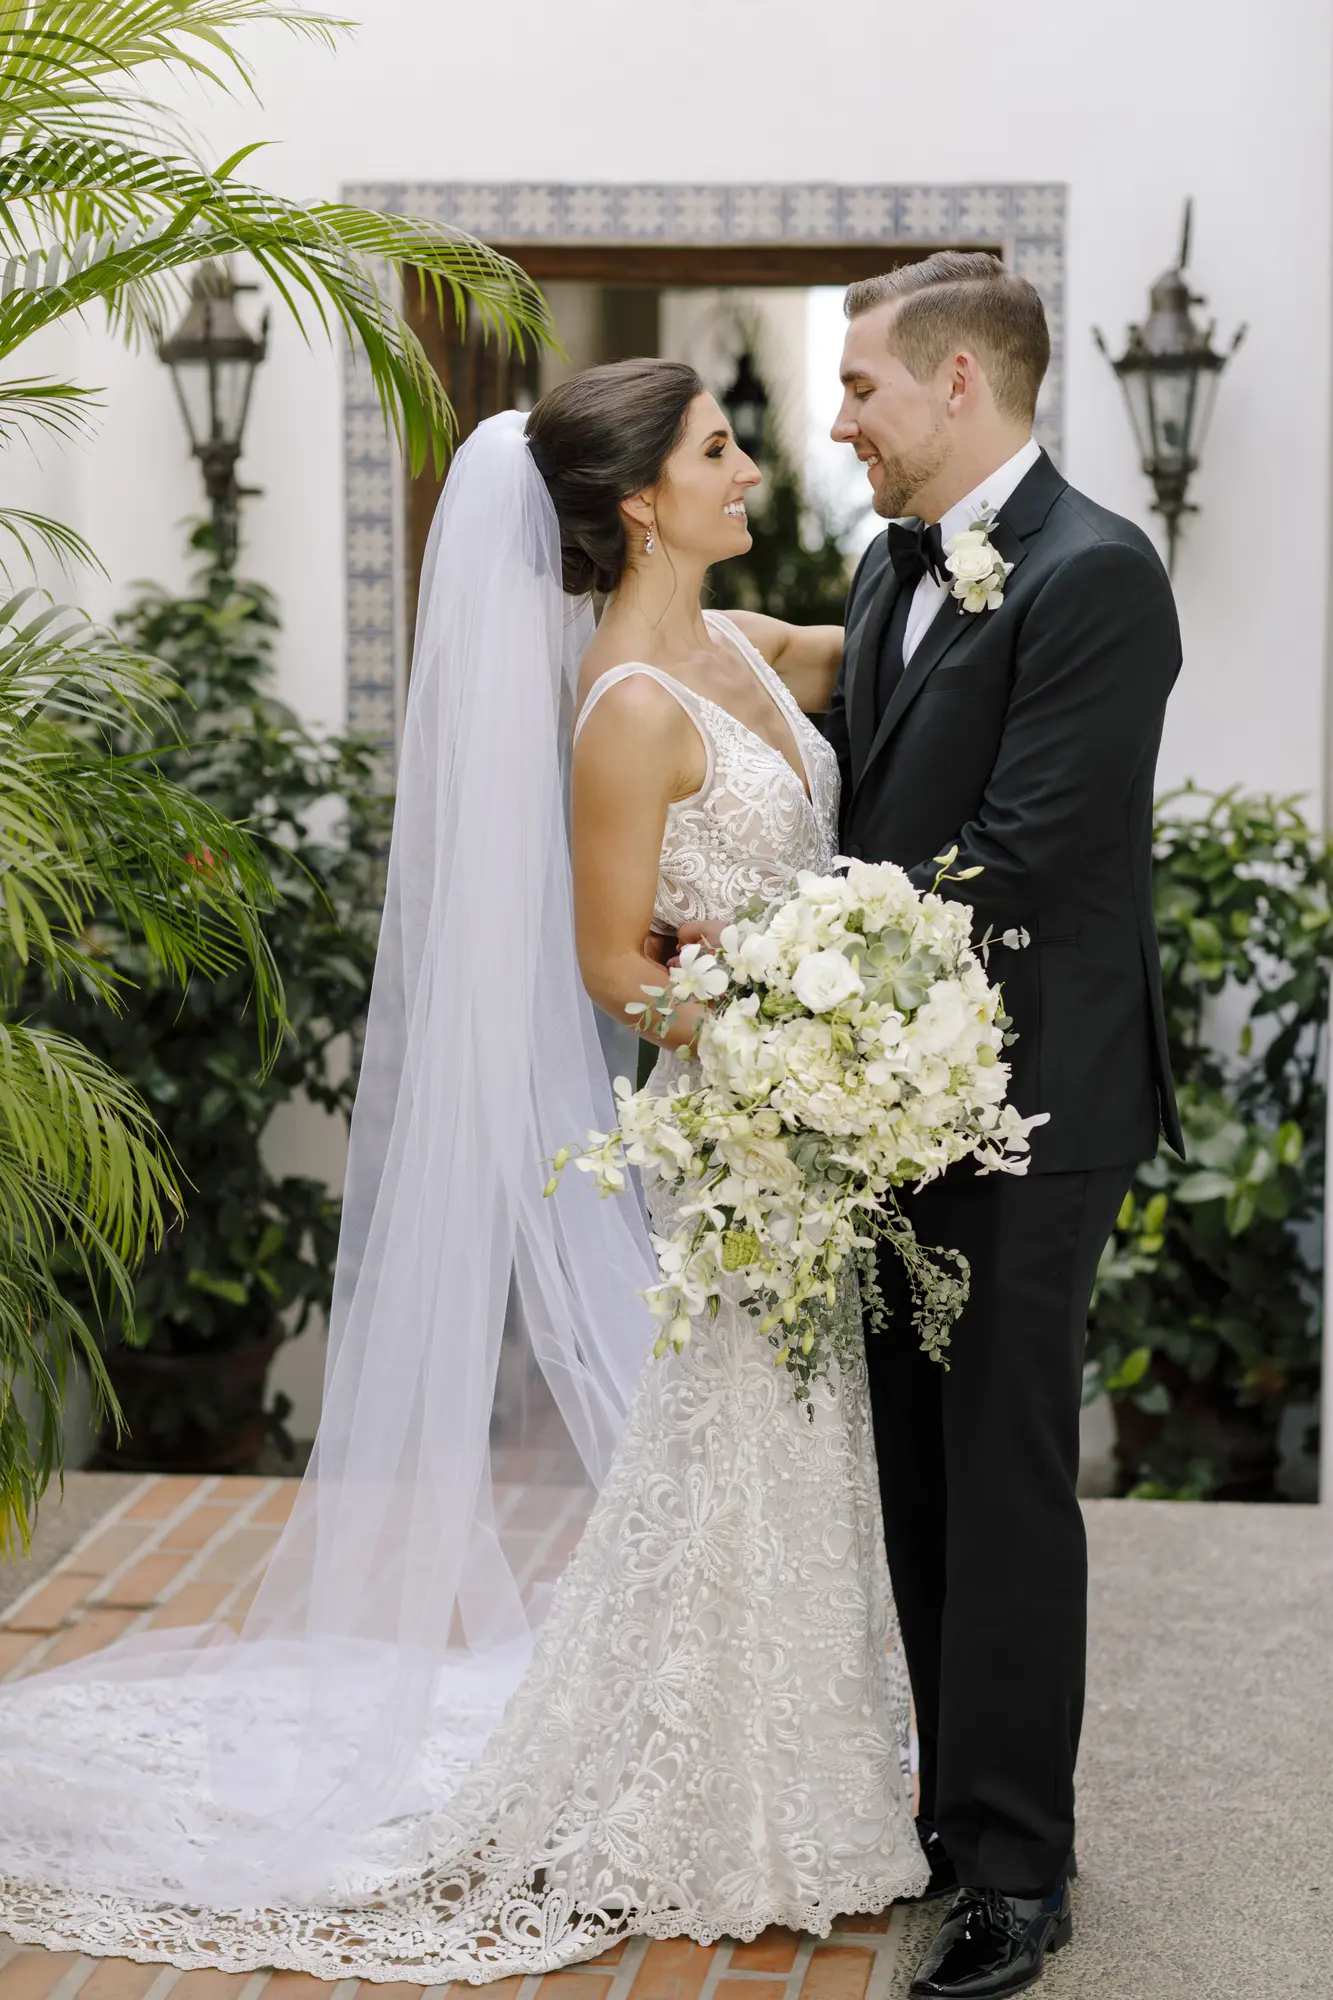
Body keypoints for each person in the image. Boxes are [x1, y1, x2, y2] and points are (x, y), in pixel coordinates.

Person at [0, 362, 929, 1979]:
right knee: (742, 1428)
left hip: (818, 1134)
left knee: (800, 1435)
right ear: (642, 500)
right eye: (720, 451)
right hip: (745, 1127)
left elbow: (887, 660)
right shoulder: (626, 710)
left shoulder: (750, 646)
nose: (751, 469)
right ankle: (709, 1793)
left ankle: (810, 1765)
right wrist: (789, 1046)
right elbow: (607, 965)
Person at [823, 253, 1183, 1999]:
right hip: (882, 1098)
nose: (843, 423)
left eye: (864, 388)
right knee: (913, 1454)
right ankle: (955, 1814)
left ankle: (1020, 1872)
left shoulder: (1101, 575)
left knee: (1006, 1469)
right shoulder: (890, 567)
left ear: (960, 384)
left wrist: (784, 968)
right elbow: (874, 774)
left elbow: (1022, 855)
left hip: (1035, 1099)